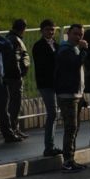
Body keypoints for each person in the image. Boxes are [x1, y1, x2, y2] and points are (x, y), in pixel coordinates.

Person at [53, 25, 88, 172]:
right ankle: (67, 160)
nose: (78, 37)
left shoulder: (74, 49)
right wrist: (84, 50)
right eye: (75, 34)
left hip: (76, 93)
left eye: (80, 34)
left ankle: (71, 158)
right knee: (71, 127)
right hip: (67, 95)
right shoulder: (65, 49)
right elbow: (74, 65)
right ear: (68, 34)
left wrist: (82, 94)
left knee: (75, 127)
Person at [32, 19, 59, 157]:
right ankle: (49, 146)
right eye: (48, 29)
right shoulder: (39, 46)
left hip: (56, 83)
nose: (50, 32)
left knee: (55, 114)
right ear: (41, 30)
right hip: (46, 84)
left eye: (52, 30)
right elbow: (45, 64)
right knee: (52, 113)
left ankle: (51, 145)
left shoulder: (55, 44)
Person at [4, 19, 29, 138]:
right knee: (15, 103)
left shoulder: (7, 38)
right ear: (23, 29)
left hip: (8, 75)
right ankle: (14, 128)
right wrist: (20, 73)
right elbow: (16, 59)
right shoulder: (15, 40)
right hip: (14, 76)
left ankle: (13, 128)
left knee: (11, 103)